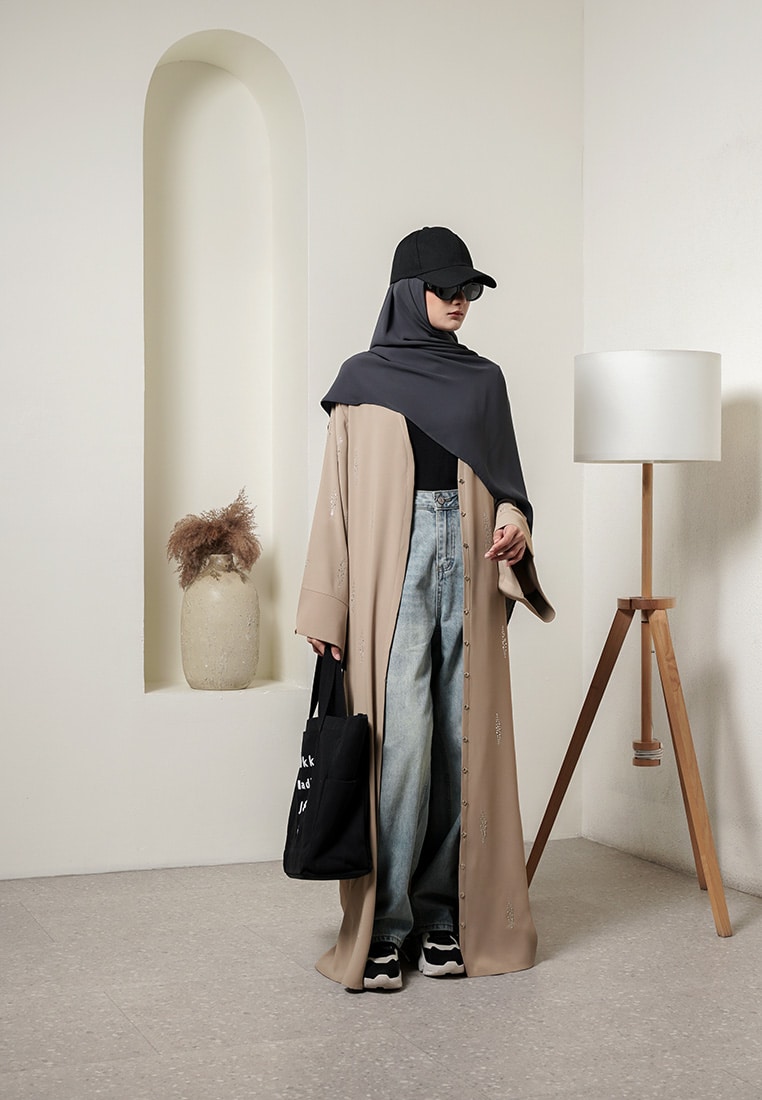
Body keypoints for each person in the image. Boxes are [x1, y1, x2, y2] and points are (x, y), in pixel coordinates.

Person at [296, 226, 553, 993]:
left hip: (469, 558)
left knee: (458, 739)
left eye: (469, 289)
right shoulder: (361, 380)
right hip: (392, 565)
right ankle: (387, 925)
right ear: (410, 293)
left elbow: (509, 484)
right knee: (401, 743)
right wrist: (326, 606)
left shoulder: (484, 381)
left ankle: (443, 918)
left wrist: (515, 523)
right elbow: (336, 503)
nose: (461, 301)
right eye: (447, 288)